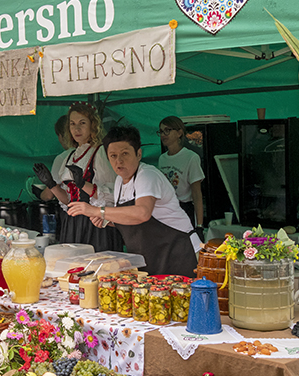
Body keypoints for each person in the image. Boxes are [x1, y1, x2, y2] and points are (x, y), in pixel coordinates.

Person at [67, 125, 201, 276]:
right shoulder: (119, 181)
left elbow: (142, 213)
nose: (119, 161)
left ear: (138, 154)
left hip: (178, 253)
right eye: (113, 156)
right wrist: (106, 219)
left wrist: (97, 210)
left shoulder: (147, 175)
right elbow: (130, 218)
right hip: (151, 257)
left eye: (125, 153)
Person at [33, 102, 122, 251]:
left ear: (92, 125)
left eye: (82, 123)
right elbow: (69, 201)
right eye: (72, 124)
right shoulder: (70, 156)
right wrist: (51, 185)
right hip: (73, 224)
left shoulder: (100, 153)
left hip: (95, 224)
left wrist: (83, 184)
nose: (77, 129)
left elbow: (111, 196)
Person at [157, 116, 205, 242]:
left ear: (179, 133)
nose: (163, 135)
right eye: (161, 131)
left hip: (184, 209)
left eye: (167, 130)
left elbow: (196, 193)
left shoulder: (191, 157)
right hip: (166, 209)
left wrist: (199, 225)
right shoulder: (162, 158)